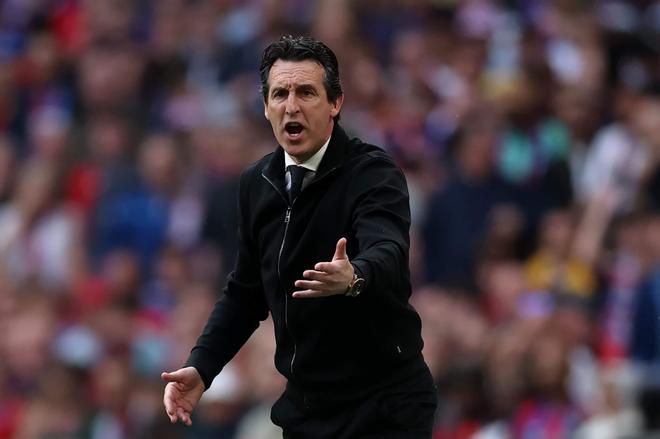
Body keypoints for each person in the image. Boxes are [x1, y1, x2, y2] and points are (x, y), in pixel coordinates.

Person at [162, 35, 437, 438]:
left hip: (384, 404)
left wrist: (356, 276)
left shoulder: (373, 173)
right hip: (308, 409)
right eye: (280, 94)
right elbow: (245, 293)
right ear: (266, 107)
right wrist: (202, 367)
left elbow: (389, 249)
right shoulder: (256, 184)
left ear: (335, 103)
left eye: (306, 92)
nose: (291, 105)